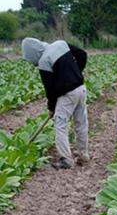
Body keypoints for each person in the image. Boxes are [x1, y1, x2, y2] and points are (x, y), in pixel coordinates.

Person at [21, 37, 89, 169]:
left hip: (67, 95)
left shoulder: (44, 62)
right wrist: (76, 73)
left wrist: (51, 108)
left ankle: (67, 160)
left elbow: (50, 90)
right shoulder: (61, 44)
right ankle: (84, 154)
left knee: (60, 125)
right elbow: (82, 54)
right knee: (81, 122)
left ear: (32, 52)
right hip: (81, 88)